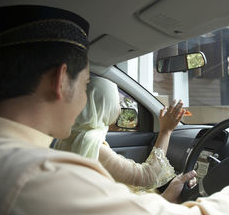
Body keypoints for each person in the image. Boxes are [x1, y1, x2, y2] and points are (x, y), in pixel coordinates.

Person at [0, 5, 229, 215]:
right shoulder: (40, 176)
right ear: (61, 80)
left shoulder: (1, 155)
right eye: (85, 85)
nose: (83, 102)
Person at [54, 76, 182, 192]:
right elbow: (147, 177)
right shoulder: (91, 144)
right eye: (116, 102)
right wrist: (166, 131)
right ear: (104, 106)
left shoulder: (69, 135)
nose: (119, 110)